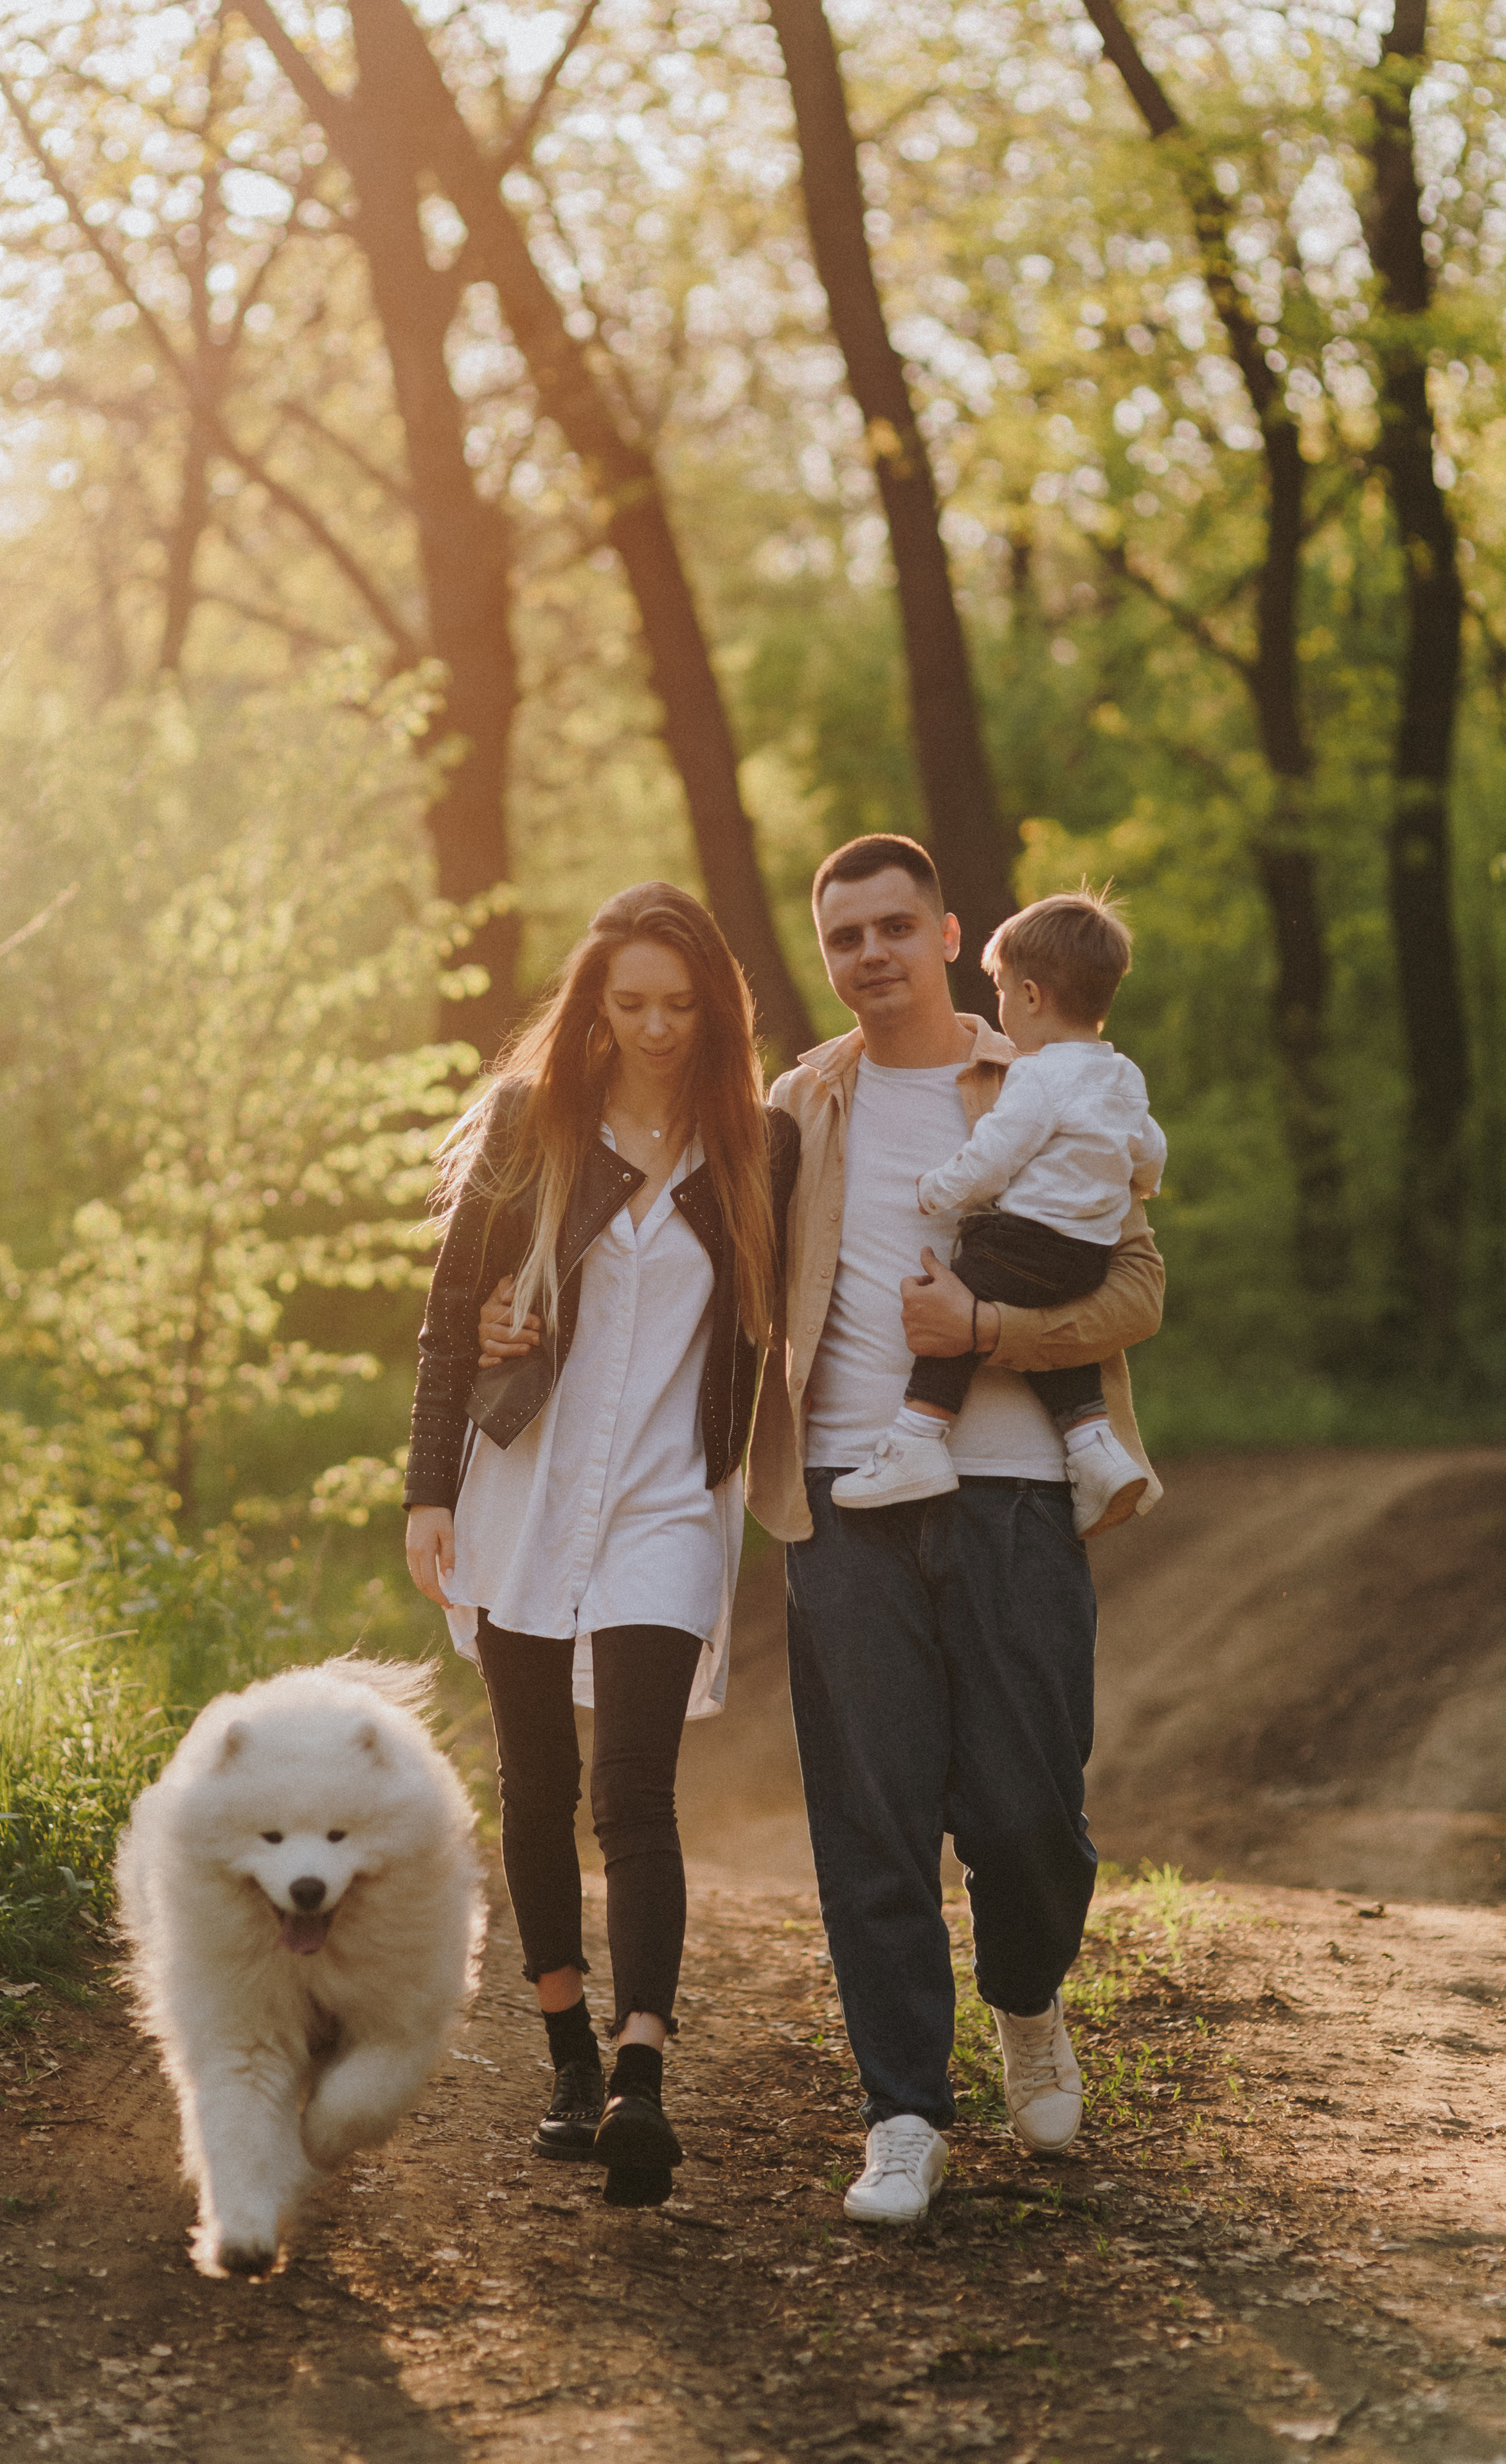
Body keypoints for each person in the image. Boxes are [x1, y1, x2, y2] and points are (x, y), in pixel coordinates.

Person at [746, 835, 1165, 2226]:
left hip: (1011, 1494)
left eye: (891, 926)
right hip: (846, 1504)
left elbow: (1136, 1293)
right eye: (842, 934)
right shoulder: (799, 1105)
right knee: (869, 1823)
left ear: (946, 935)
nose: (866, 952)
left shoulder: (1040, 1079)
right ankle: (903, 2113)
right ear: (828, 957)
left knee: (1029, 1813)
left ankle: (1025, 1999)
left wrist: (985, 1329)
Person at [403, 882, 799, 2210]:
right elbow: (452, 1319)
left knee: (633, 1790)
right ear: (594, 1003)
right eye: (629, 1004)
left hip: (670, 1503)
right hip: (523, 1489)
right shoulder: (535, 1126)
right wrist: (427, 1491)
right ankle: (566, 2052)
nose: (654, 1028)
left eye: (680, 1006)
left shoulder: (758, 1144)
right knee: (533, 1785)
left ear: (716, 1008)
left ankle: (640, 2073)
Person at [830, 888, 1165, 1537]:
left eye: (1004, 991)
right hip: (1085, 1256)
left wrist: (936, 1188)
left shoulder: (1035, 1076)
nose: (1001, 1005)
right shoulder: (1122, 1075)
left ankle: (919, 1435)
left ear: (1034, 997)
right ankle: (1094, 1449)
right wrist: (1141, 1184)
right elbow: (1149, 1146)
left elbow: (993, 1156)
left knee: (948, 1298)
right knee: (1038, 1322)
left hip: (1026, 1239)